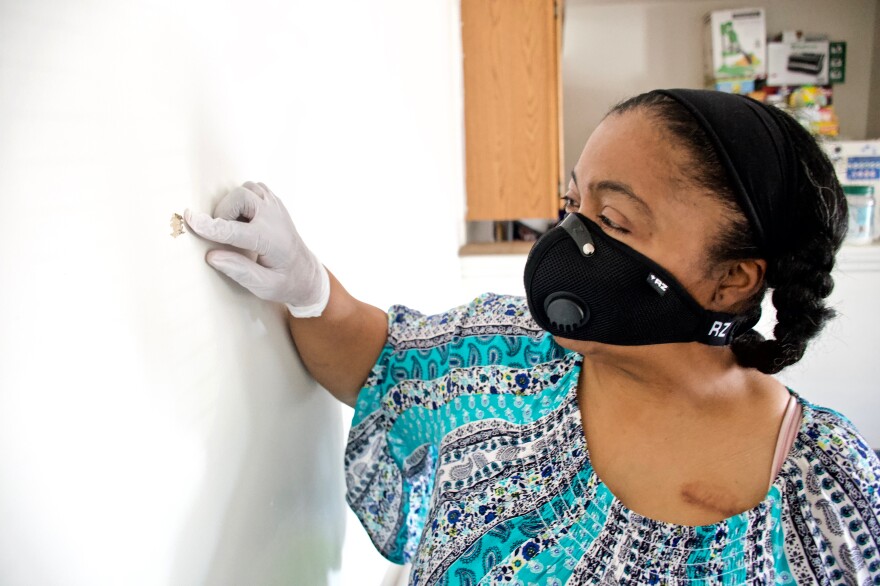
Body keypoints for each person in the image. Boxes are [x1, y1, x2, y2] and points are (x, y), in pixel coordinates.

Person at [185, 89, 880, 584]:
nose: (572, 240)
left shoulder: (828, 496)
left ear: (730, 281)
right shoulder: (507, 352)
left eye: (613, 219)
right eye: (574, 203)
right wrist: (309, 286)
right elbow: (378, 359)